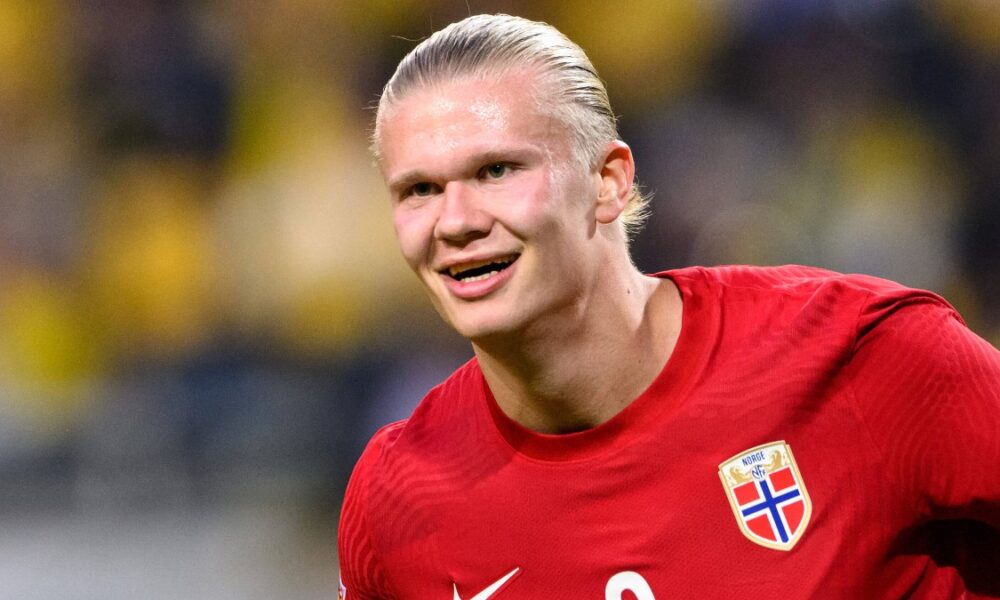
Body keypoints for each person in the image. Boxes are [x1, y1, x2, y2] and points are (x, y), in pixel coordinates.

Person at [337, 13, 1000, 599]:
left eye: (497, 171)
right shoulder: (396, 502)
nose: (455, 221)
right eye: (419, 190)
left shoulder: (868, 360)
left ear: (608, 182)